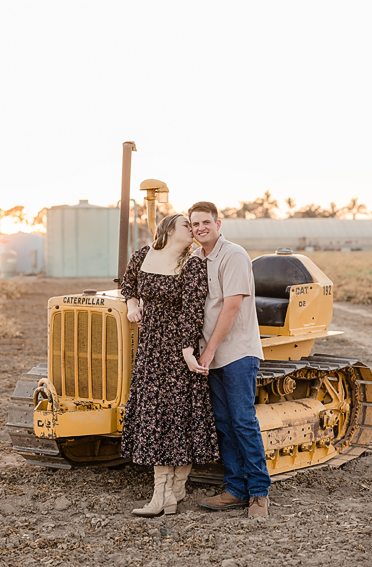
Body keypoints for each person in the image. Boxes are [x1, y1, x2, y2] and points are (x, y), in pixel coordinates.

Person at [120, 213, 219, 517]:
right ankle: (164, 495)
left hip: (178, 348)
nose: (193, 230)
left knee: (179, 419)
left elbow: (192, 312)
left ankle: (171, 494)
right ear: (168, 229)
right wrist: (132, 305)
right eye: (187, 225)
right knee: (155, 417)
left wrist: (188, 352)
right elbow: (129, 284)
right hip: (151, 348)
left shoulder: (193, 265)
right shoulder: (143, 256)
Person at [189, 201, 271, 519]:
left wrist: (207, 352)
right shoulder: (196, 259)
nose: (200, 228)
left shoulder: (233, 255)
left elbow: (232, 306)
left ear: (218, 223)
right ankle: (235, 489)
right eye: (194, 224)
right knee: (224, 424)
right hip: (212, 356)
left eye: (205, 222)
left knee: (243, 422)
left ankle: (259, 495)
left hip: (236, 352)